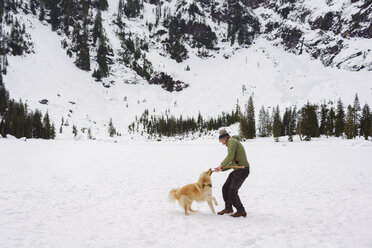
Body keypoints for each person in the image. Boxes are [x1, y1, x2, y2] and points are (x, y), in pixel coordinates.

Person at [214, 128, 250, 217]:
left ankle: (241, 211)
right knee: (225, 188)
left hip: (242, 170)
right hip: (238, 170)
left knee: (232, 191)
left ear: (224, 138)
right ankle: (228, 208)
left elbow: (230, 157)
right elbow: (232, 162)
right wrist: (221, 168)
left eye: (221, 141)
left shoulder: (231, 142)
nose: (222, 143)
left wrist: (221, 165)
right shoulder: (231, 142)